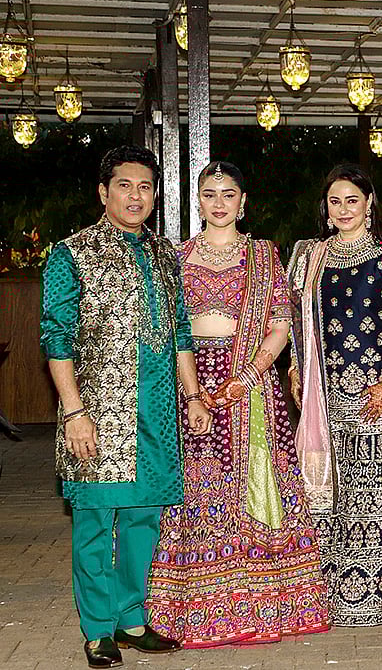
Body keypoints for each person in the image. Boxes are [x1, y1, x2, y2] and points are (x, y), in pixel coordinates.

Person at [40, 145, 211, 668]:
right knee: (95, 521)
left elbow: (180, 328)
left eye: (145, 187)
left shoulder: (164, 252)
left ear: (155, 195)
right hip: (98, 411)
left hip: (156, 410)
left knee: (143, 519)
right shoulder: (71, 253)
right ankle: (97, 629)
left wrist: (193, 394)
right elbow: (56, 336)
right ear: (103, 191)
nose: (136, 196)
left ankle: (131, 618)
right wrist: (72, 410)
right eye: (124, 186)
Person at [145, 161, 329, 646]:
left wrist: (247, 375)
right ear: (197, 201)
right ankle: (195, 599)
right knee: (196, 484)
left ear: (243, 202)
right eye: (210, 194)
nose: (219, 202)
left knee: (255, 479)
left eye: (229, 194)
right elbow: (166, 327)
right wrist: (192, 390)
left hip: (252, 379)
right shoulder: (174, 257)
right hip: (189, 375)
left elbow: (281, 322)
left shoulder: (265, 256)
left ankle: (265, 599)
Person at [286, 164, 382, 626]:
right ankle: (326, 596)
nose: (344, 209)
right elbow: (292, 318)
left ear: (369, 205)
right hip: (323, 392)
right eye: (335, 201)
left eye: (353, 200)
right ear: (325, 209)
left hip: (376, 393)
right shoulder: (309, 256)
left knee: (377, 494)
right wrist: (294, 367)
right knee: (329, 493)